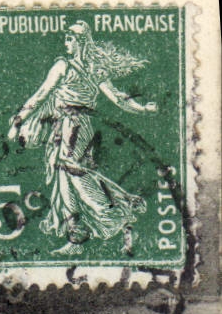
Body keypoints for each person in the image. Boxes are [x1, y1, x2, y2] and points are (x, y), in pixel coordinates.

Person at [9, 22, 159, 255]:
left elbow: (41, 95)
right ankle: (77, 238)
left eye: (69, 39)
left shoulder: (65, 66)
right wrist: (143, 109)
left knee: (74, 176)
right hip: (73, 126)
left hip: (72, 127)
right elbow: (119, 99)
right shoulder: (92, 68)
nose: (66, 44)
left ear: (80, 42)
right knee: (66, 179)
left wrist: (19, 120)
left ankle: (119, 215)